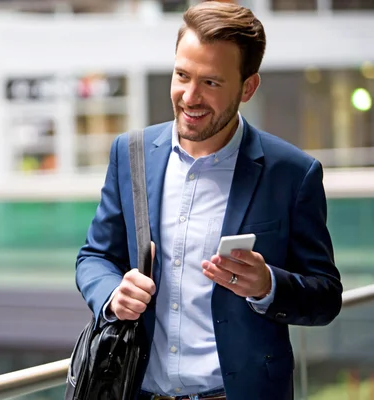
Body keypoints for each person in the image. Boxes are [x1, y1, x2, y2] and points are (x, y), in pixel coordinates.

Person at [74, 2, 343, 400]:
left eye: (212, 83)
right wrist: (113, 294)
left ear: (248, 87)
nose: (190, 97)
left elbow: (325, 296)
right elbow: (94, 257)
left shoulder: (292, 173)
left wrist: (267, 285)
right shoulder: (131, 153)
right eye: (182, 75)